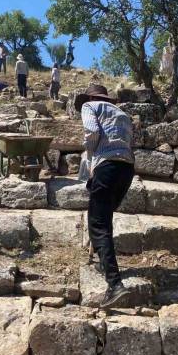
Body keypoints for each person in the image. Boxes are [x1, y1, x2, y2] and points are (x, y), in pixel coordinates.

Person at [74, 84, 135, 308]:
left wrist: (90, 159)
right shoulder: (123, 114)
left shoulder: (89, 106)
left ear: (89, 96)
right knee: (104, 217)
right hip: (127, 169)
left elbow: (92, 132)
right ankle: (103, 261)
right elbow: (129, 143)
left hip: (106, 165)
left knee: (98, 224)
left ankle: (115, 285)